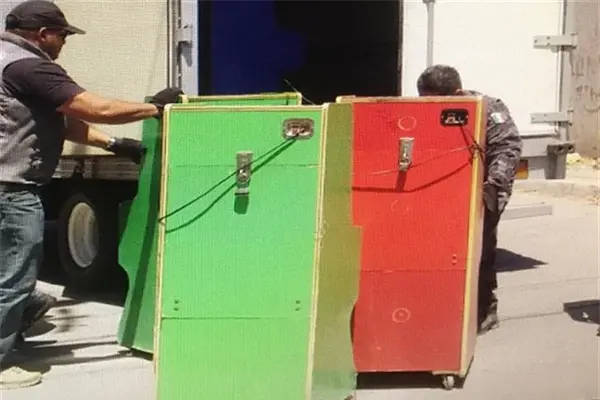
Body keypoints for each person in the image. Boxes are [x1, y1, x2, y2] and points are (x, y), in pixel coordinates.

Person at [0, 0, 183, 389]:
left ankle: (13, 329)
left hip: (7, 186)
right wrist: (154, 108)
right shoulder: (29, 65)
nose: (64, 43)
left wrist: (114, 144)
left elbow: (61, 121)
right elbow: (92, 107)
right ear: (43, 34)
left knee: (14, 276)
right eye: (62, 35)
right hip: (13, 189)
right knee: (15, 276)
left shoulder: (6, 60)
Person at [416, 65, 523, 335]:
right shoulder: (424, 109)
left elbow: (507, 148)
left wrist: (490, 189)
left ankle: (485, 310)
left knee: (479, 250)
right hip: (441, 189)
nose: (431, 107)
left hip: (483, 189)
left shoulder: (488, 110)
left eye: (437, 101)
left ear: (458, 93)